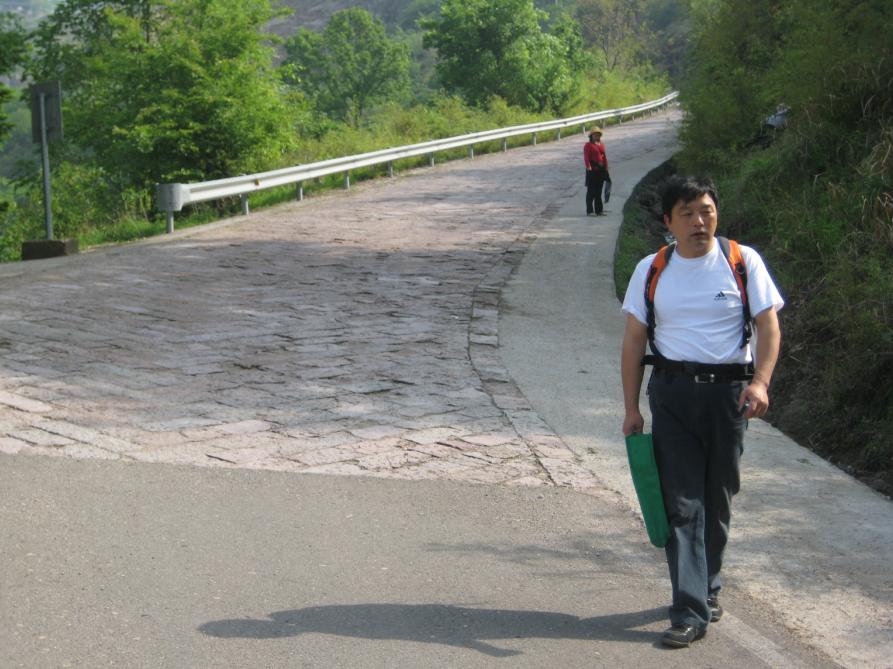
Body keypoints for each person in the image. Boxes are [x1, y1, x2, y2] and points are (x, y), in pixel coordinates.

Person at [619, 175, 783, 648]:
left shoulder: (741, 261)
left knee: (718, 497)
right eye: (687, 213)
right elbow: (633, 343)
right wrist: (631, 407)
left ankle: (707, 587)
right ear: (668, 221)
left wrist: (761, 382)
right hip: (671, 393)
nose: (699, 221)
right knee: (683, 504)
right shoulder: (651, 269)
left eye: (706, 210)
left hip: (728, 397)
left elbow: (767, 327)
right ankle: (688, 609)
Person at [583, 128, 609, 216]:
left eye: (598, 134)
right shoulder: (588, 145)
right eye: (594, 134)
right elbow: (586, 157)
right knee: (591, 191)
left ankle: (599, 210)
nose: (596, 136)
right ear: (591, 136)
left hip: (601, 171)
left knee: (599, 191)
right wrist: (588, 167)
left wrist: (606, 168)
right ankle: (590, 211)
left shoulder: (601, 144)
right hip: (592, 170)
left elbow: (604, 157)